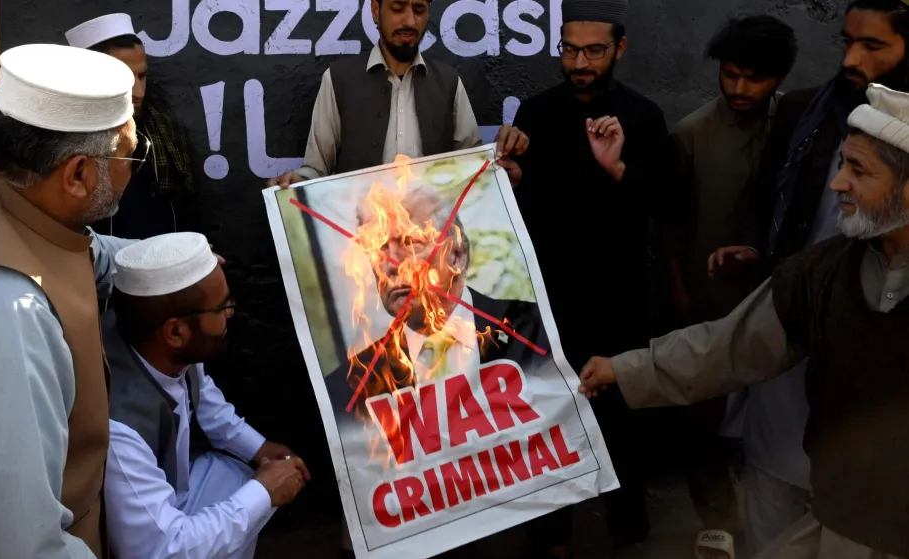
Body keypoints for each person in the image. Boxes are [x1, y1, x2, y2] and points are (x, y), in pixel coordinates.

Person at [580, 81, 909, 559]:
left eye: (858, 170)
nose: (838, 184)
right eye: (842, 165)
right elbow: (730, 346)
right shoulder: (823, 273)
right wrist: (626, 369)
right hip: (846, 521)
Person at [707, 1, 909, 552]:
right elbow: (769, 195)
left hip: (875, 357)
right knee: (773, 476)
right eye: (847, 40)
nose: (850, 58)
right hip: (795, 320)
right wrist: (754, 246)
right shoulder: (806, 111)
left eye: (872, 45)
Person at [0, 44, 138, 557]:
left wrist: (173, 260)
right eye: (128, 153)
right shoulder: (2, 318)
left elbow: (88, 257)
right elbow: (22, 545)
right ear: (77, 175)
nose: (131, 169)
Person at [510, 0, 671, 554]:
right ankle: (548, 537)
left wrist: (618, 168)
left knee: (621, 426)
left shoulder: (644, 116)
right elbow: (518, 208)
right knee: (546, 418)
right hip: (549, 300)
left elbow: (665, 203)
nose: (580, 61)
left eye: (594, 50)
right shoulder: (534, 112)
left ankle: (630, 535)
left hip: (619, 299)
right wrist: (508, 174)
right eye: (570, 49)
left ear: (618, 50)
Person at [102, 232, 309, 559]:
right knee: (255, 495)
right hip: (152, 543)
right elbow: (161, 550)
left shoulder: (158, 344)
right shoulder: (120, 431)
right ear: (175, 332)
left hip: (175, 489)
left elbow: (204, 398)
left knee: (242, 480)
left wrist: (259, 448)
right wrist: (266, 490)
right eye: (222, 306)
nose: (231, 313)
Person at [670, 14, 797, 536]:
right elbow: (673, 226)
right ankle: (716, 522)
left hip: (779, 298)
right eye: (731, 74)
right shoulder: (692, 134)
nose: (740, 89)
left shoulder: (796, 133)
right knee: (706, 418)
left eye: (756, 78)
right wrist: (681, 292)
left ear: (778, 79)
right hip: (710, 301)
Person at [323, 185, 549, 415]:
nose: (392, 264)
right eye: (378, 249)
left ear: (457, 256)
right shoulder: (348, 389)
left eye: (410, 244)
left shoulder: (538, 331)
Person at [267, 0, 529, 189]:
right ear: (375, 10)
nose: (409, 21)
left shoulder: (448, 82)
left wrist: (500, 170)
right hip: (359, 246)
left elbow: (471, 168)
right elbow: (317, 168)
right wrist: (298, 181)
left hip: (432, 247)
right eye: (397, 8)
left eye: (418, 9)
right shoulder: (338, 79)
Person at [67, 13, 196, 240]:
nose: (139, 92)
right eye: (124, 77)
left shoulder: (165, 133)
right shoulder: (60, 144)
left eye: (142, 76)